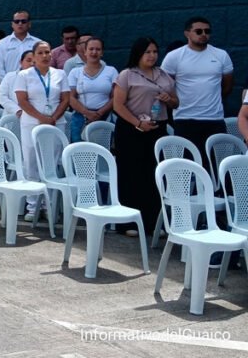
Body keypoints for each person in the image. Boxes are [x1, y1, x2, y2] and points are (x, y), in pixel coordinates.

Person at [113, 37, 178, 237]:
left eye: (154, 52)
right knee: (131, 175)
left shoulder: (163, 75)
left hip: (157, 128)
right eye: (147, 52)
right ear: (138, 54)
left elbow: (176, 103)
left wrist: (170, 99)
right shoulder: (127, 75)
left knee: (153, 175)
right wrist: (137, 123)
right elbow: (118, 105)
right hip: (132, 129)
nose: (151, 56)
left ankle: (153, 223)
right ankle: (128, 223)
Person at [161, 16, 234, 159]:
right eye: (198, 31)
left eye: (207, 31)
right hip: (185, 118)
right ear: (187, 33)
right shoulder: (174, 57)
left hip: (214, 119)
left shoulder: (221, 55)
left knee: (215, 163)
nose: (204, 34)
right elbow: (165, 85)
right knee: (189, 164)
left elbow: (227, 86)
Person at [16, 41, 70, 220]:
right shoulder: (24, 75)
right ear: (34, 56)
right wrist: (41, 117)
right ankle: (33, 206)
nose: (45, 56)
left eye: (47, 52)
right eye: (41, 53)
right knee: (31, 162)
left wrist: (53, 117)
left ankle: (49, 205)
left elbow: (65, 99)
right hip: (32, 123)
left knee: (51, 163)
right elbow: (22, 101)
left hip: (56, 123)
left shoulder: (60, 74)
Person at [66, 36, 118, 142]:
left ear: (102, 52)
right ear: (85, 51)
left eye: (98, 49)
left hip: (105, 117)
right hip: (80, 119)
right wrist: (87, 113)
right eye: (91, 49)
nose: (94, 52)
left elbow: (115, 97)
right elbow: (71, 97)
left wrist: (99, 113)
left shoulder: (111, 71)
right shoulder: (75, 72)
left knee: (103, 151)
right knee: (80, 153)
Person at [0, 10, 40, 83]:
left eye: (23, 21)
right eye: (17, 21)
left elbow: (42, 65)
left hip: (34, 85)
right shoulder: (2, 44)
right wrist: (9, 84)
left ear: (29, 24)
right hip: (10, 86)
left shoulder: (37, 43)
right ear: (12, 24)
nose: (20, 23)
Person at [0, 50, 34, 118]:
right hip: (12, 116)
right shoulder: (10, 76)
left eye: (35, 62)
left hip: (33, 117)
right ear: (21, 62)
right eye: (28, 60)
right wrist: (17, 110)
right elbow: (2, 96)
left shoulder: (40, 79)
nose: (32, 64)